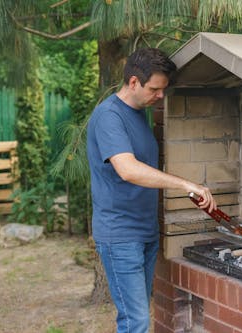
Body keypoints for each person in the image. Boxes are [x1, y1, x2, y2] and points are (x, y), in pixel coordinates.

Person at [86, 48, 217, 333]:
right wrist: (185, 184)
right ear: (133, 82)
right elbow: (128, 169)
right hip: (120, 235)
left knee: (138, 317)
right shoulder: (109, 116)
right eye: (154, 89)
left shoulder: (138, 114)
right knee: (136, 322)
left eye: (163, 90)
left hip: (144, 232)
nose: (160, 96)